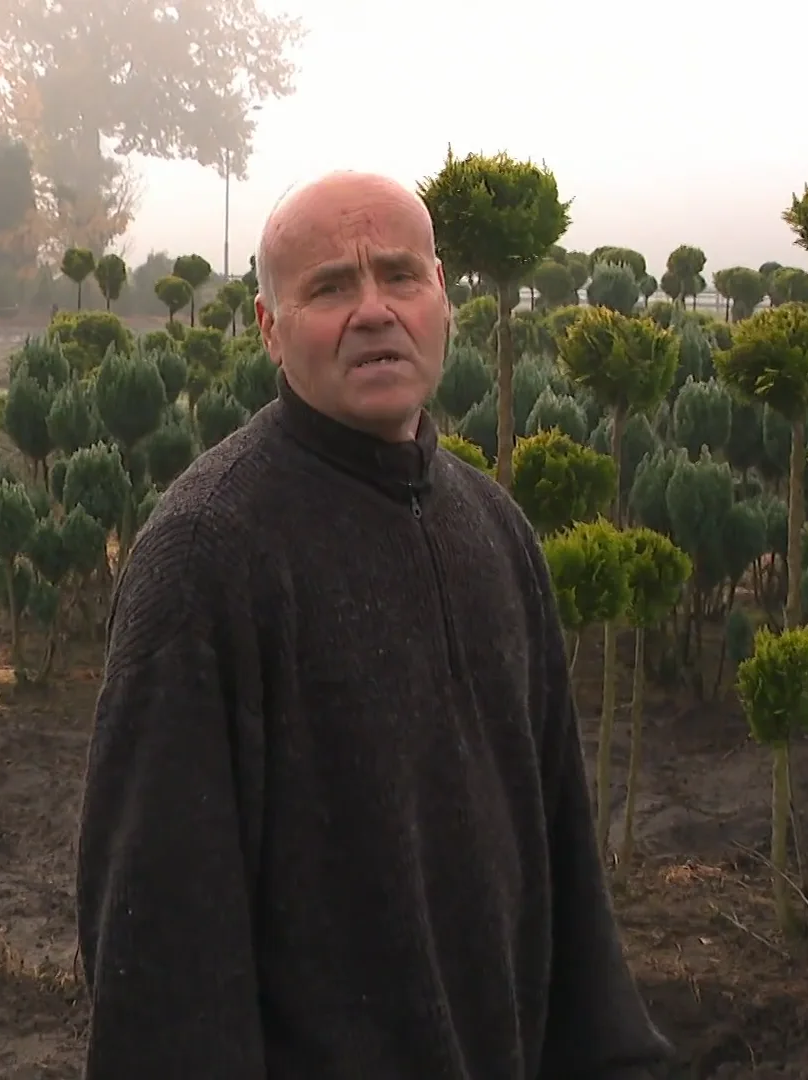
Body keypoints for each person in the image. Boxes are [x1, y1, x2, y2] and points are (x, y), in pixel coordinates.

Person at [76, 170, 672, 1079]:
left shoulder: (495, 529)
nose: (373, 311)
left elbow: (561, 859)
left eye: (399, 276)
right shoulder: (206, 558)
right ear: (271, 330)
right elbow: (162, 948)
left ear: (443, 301)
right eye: (328, 288)